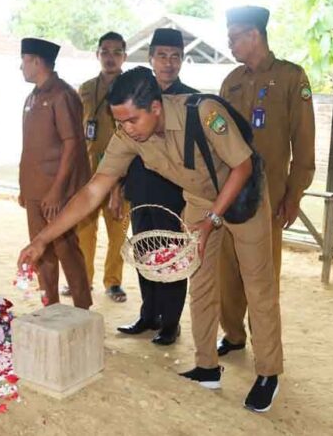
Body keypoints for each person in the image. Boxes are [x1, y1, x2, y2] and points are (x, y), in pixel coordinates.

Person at [18, 67, 282, 412]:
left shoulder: (203, 113)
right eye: (119, 122)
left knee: (257, 284)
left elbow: (243, 166)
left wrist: (212, 220)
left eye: (131, 120)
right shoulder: (128, 134)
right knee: (200, 282)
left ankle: (268, 373)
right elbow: (94, 189)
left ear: (155, 107)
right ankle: (206, 367)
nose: (126, 129)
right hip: (199, 202)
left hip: (241, 196)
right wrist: (42, 239)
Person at [216, 6, 315, 357]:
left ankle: (265, 346)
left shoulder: (291, 77)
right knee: (227, 271)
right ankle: (233, 335)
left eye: (234, 38)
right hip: (230, 194)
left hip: (269, 196)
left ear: (253, 35)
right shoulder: (231, 81)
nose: (230, 45)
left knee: (262, 277)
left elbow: (303, 142)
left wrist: (295, 195)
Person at [117, 28, 198, 345]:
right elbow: (123, 146)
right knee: (144, 253)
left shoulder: (191, 100)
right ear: (150, 59)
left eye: (175, 56)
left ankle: (171, 322)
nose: (169, 62)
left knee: (172, 258)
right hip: (140, 189)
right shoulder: (136, 96)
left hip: (173, 193)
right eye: (162, 55)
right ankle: (148, 315)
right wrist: (119, 188)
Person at [18, 37, 92, 309]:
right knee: (41, 251)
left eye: (24, 61)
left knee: (66, 249)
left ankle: (83, 310)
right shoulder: (33, 96)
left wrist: (58, 190)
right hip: (36, 191)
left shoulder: (63, 95)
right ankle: (51, 307)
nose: (21, 67)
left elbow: (73, 143)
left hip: (56, 192)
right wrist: (24, 187)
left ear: (36, 61)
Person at [74, 32, 129, 303]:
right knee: (85, 232)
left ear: (124, 57)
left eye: (117, 52)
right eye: (105, 51)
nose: (110, 57)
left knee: (118, 232)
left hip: (120, 173)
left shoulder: (132, 89)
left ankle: (113, 282)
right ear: (97, 54)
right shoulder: (84, 88)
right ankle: (83, 280)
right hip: (88, 173)